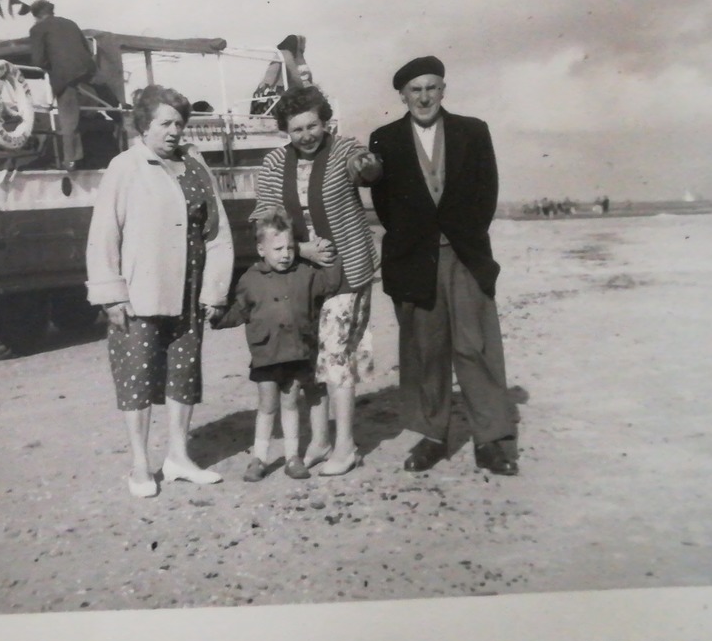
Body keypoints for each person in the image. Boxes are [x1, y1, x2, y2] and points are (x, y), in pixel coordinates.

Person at [368, 56, 520, 476]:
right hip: (415, 261)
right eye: (415, 90)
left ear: (443, 90)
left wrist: (461, 236)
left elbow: (486, 193)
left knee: (475, 346)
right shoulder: (384, 138)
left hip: (464, 256)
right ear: (402, 95)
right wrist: (416, 240)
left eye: (432, 87)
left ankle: (490, 439)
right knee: (426, 351)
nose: (424, 97)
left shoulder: (473, 131)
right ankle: (433, 436)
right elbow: (385, 205)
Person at [86, 84, 234, 498]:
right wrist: (110, 294)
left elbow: (217, 232)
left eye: (179, 123)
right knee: (137, 377)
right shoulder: (125, 167)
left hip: (189, 290)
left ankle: (178, 457)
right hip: (140, 293)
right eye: (165, 123)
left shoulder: (195, 164)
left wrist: (214, 291)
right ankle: (139, 465)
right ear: (144, 126)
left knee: (183, 374)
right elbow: (104, 235)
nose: (174, 131)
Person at [251, 84, 382, 476]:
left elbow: (367, 168)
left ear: (325, 122)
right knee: (311, 357)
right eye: (297, 130)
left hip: (348, 271)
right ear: (285, 132)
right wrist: (302, 249)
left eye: (312, 126)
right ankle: (321, 441)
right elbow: (265, 217)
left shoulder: (343, 149)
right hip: (301, 273)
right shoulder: (275, 163)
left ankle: (345, 447)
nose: (306, 136)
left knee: (337, 355)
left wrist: (367, 166)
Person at [215, 208, 345, 482]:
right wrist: (217, 317)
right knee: (267, 405)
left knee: (290, 403)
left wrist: (332, 253)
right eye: (277, 249)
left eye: (289, 247)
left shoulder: (305, 274)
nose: (285, 254)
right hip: (266, 353)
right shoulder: (250, 280)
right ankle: (259, 458)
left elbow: (330, 284)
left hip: (297, 351)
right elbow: (239, 311)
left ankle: (292, 457)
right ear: (261, 249)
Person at [27, 0, 98, 169]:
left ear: (36, 16)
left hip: (65, 77)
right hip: (87, 74)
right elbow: (86, 49)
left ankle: (71, 160)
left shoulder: (37, 29)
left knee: (68, 120)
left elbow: (38, 60)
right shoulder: (70, 23)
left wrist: (51, 66)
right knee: (90, 111)